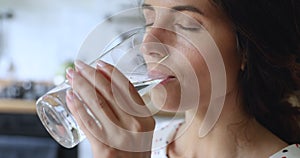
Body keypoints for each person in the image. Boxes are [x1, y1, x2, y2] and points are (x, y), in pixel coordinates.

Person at [65, 0, 300, 157]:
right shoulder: (149, 145)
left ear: (246, 50)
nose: (148, 45)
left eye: (185, 25)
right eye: (149, 21)